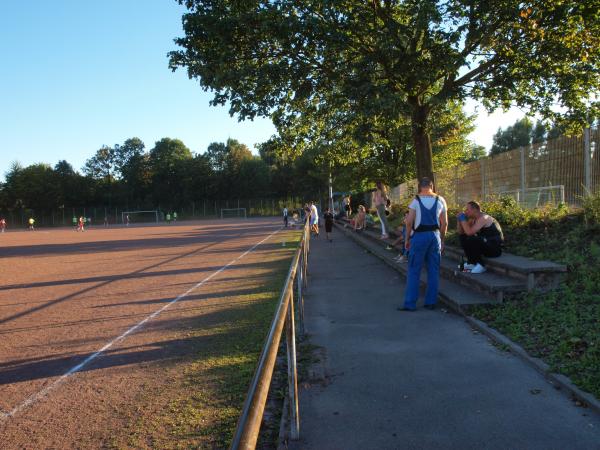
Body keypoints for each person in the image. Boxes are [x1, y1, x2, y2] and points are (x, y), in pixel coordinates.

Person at [400, 177, 448, 311]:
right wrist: (442, 240)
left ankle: (410, 304)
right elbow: (445, 223)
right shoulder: (441, 200)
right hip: (435, 236)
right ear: (432, 186)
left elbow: (409, 222)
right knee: (433, 270)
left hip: (419, 237)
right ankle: (431, 302)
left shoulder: (415, 200)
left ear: (420, 187)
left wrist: (407, 239)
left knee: (414, 270)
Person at [457, 201, 504, 274]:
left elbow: (469, 232)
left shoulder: (484, 218)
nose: (465, 211)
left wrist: (463, 220)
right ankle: (472, 262)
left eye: (467, 209)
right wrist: (459, 220)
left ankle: (481, 265)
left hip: (495, 249)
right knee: (463, 237)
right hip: (485, 246)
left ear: (475, 210)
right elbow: (461, 232)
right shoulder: (473, 219)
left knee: (473, 238)